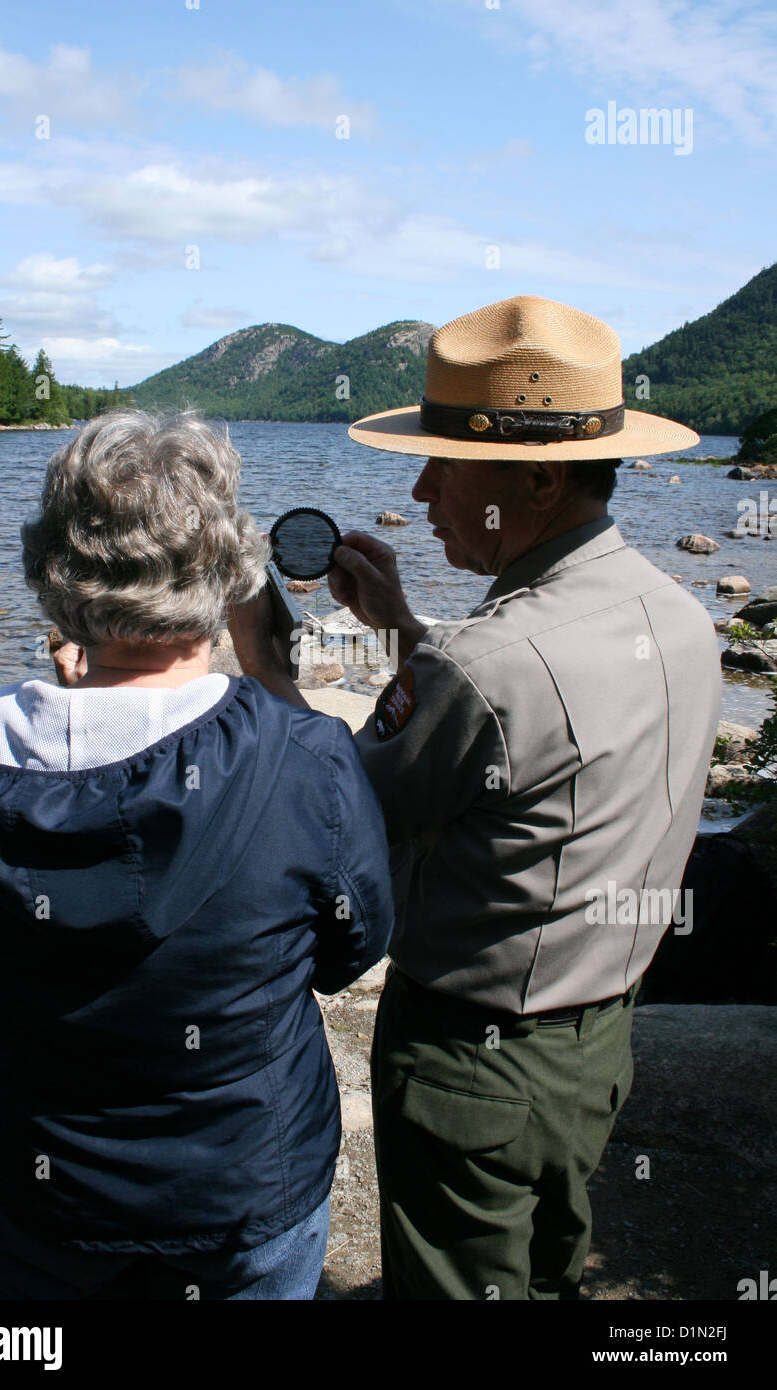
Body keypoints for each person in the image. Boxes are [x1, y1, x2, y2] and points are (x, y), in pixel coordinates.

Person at [228, 295, 723, 1300]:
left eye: (443, 466)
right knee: (542, 1269)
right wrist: (406, 627)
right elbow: (530, 739)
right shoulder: (670, 614)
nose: (418, 488)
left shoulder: (485, 667)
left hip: (474, 1065)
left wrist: (267, 669)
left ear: (537, 479)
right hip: (595, 1040)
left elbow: (333, 818)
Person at [0, 410, 394, 1301]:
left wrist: (81, 715)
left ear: (51, 567)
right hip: (249, 1179)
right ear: (228, 569)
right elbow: (348, 951)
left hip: (49, 1181)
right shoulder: (307, 757)